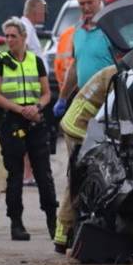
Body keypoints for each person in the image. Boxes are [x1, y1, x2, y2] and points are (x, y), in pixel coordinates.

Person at [0, 18, 57, 241]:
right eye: (6, 36)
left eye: (13, 36)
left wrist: (37, 107)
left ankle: (53, 221)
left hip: (35, 121)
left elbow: (47, 93)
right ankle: (16, 223)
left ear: (24, 38)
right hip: (11, 122)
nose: (9, 40)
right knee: (15, 174)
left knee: (44, 174)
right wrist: (20, 109)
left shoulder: (36, 61)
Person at [54, 64, 116, 253]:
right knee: (79, 180)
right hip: (80, 128)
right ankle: (64, 234)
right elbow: (117, 112)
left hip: (76, 122)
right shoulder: (119, 77)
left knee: (77, 179)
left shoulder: (112, 71)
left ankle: (64, 235)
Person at [56, 0, 114, 115]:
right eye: (82, 4)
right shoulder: (77, 30)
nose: (86, 7)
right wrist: (62, 98)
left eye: (90, 2)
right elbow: (76, 66)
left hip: (109, 99)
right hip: (85, 99)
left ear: (99, 1)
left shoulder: (110, 28)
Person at [16, 0, 47, 187]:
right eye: (43, 10)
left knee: (30, 129)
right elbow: (23, 55)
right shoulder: (25, 28)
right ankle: (27, 174)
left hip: (31, 84)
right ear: (35, 10)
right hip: (28, 87)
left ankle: (29, 173)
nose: (44, 14)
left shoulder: (28, 27)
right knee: (28, 130)